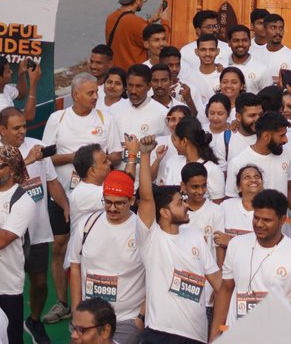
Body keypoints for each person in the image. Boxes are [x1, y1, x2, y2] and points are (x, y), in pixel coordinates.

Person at [42, 73, 123, 324]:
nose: (95, 97)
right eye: (90, 93)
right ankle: (63, 302)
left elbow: (117, 154)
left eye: (95, 93)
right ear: (75, 95)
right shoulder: (59, 118)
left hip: (93, 198)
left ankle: (93, 305)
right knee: (59, 246)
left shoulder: (104, 118)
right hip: (61, 194)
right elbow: (46, 157)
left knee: (92, 248)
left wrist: (102, 162)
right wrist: (75, 158)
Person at [134, 137, 220, 344]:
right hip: (160, 333)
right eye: (179, 203)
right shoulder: (150, 237)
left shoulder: (195, 236)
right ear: (163, 212)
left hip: (196, 335)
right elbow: (146, 198)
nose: (187, 206)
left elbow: (218, 282)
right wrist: (145, 155)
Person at [211, 189, 291, 338]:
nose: (259, 224)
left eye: (267, 220)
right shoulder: (236, 245)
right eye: (256, 218)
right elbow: (225, 290)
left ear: (283, 220)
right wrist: (214, 335)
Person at [0, 107, 65, 344]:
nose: (22, 132)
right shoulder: (3, 155)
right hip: (10, 237)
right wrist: (28, 160)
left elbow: (52, 181)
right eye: (16, 128)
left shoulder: (37, 145)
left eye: (24, 126)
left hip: (36, 230)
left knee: (38, 281)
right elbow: (9, 176)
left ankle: (34, 320)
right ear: (2, 129)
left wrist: (65, 205)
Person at [67, 170, 146, 344]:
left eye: (119, 203)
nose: (111, 208)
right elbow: (75, 266)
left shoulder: (141, 230)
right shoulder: (87, 224)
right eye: (107, 202)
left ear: (131, 200)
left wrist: (141, 316)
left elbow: (155, 274)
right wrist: (76, 311)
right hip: (87, 323)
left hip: (126, 320)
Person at [223, 112, 291, 218]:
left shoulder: (286, 153)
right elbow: (231, 200)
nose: (286, 140)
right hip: (254, 231)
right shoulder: (238, 163)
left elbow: (289, 188)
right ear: (266, 136)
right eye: (282, 135)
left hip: (282, 230)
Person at [0, 144, 36, 344]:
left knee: (11, 338)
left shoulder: (23, 201)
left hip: (7, 287)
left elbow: (3, 239)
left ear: (12, 169)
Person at [105, 0, 168, 70]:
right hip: (134, 74)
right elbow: (159, 41)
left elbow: (131, 32)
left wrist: (151, 20)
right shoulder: (136, 22)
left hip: (116, 73)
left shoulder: (110, 17)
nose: (143, 2)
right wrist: (165, 21)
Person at [113, 65, 169, 141]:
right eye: (130, 85)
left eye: (138, 86)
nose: (133, 91)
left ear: (149, 86)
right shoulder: (114, 110)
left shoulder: (163, 113)